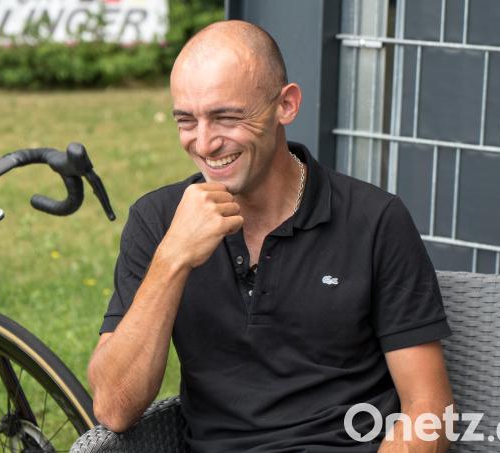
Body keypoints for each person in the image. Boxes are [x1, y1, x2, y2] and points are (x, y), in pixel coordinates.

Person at [87, 20, 454, 453]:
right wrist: (173, 259)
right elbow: (114, 409)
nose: (204, 144)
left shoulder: (374, 220)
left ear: (286, 105)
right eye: (187, 121)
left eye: (226, 117)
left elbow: (427, 408)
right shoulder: (157, 220)